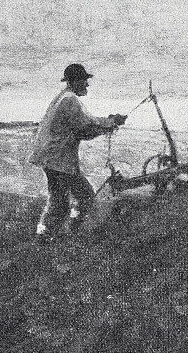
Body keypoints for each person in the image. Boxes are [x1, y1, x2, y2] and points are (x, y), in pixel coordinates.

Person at [30, 63, 127, 244]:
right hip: (59, 160)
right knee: (84, 196)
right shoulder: (70, 100)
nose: (87, 85)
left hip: (53, 159)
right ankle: (66, 233)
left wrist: (108, 122)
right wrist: (111, 122)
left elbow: (86, 125)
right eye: (84, 81)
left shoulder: (63, 97)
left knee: (59, 199)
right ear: (75, 81)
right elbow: (85, 128)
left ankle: (46, 235)